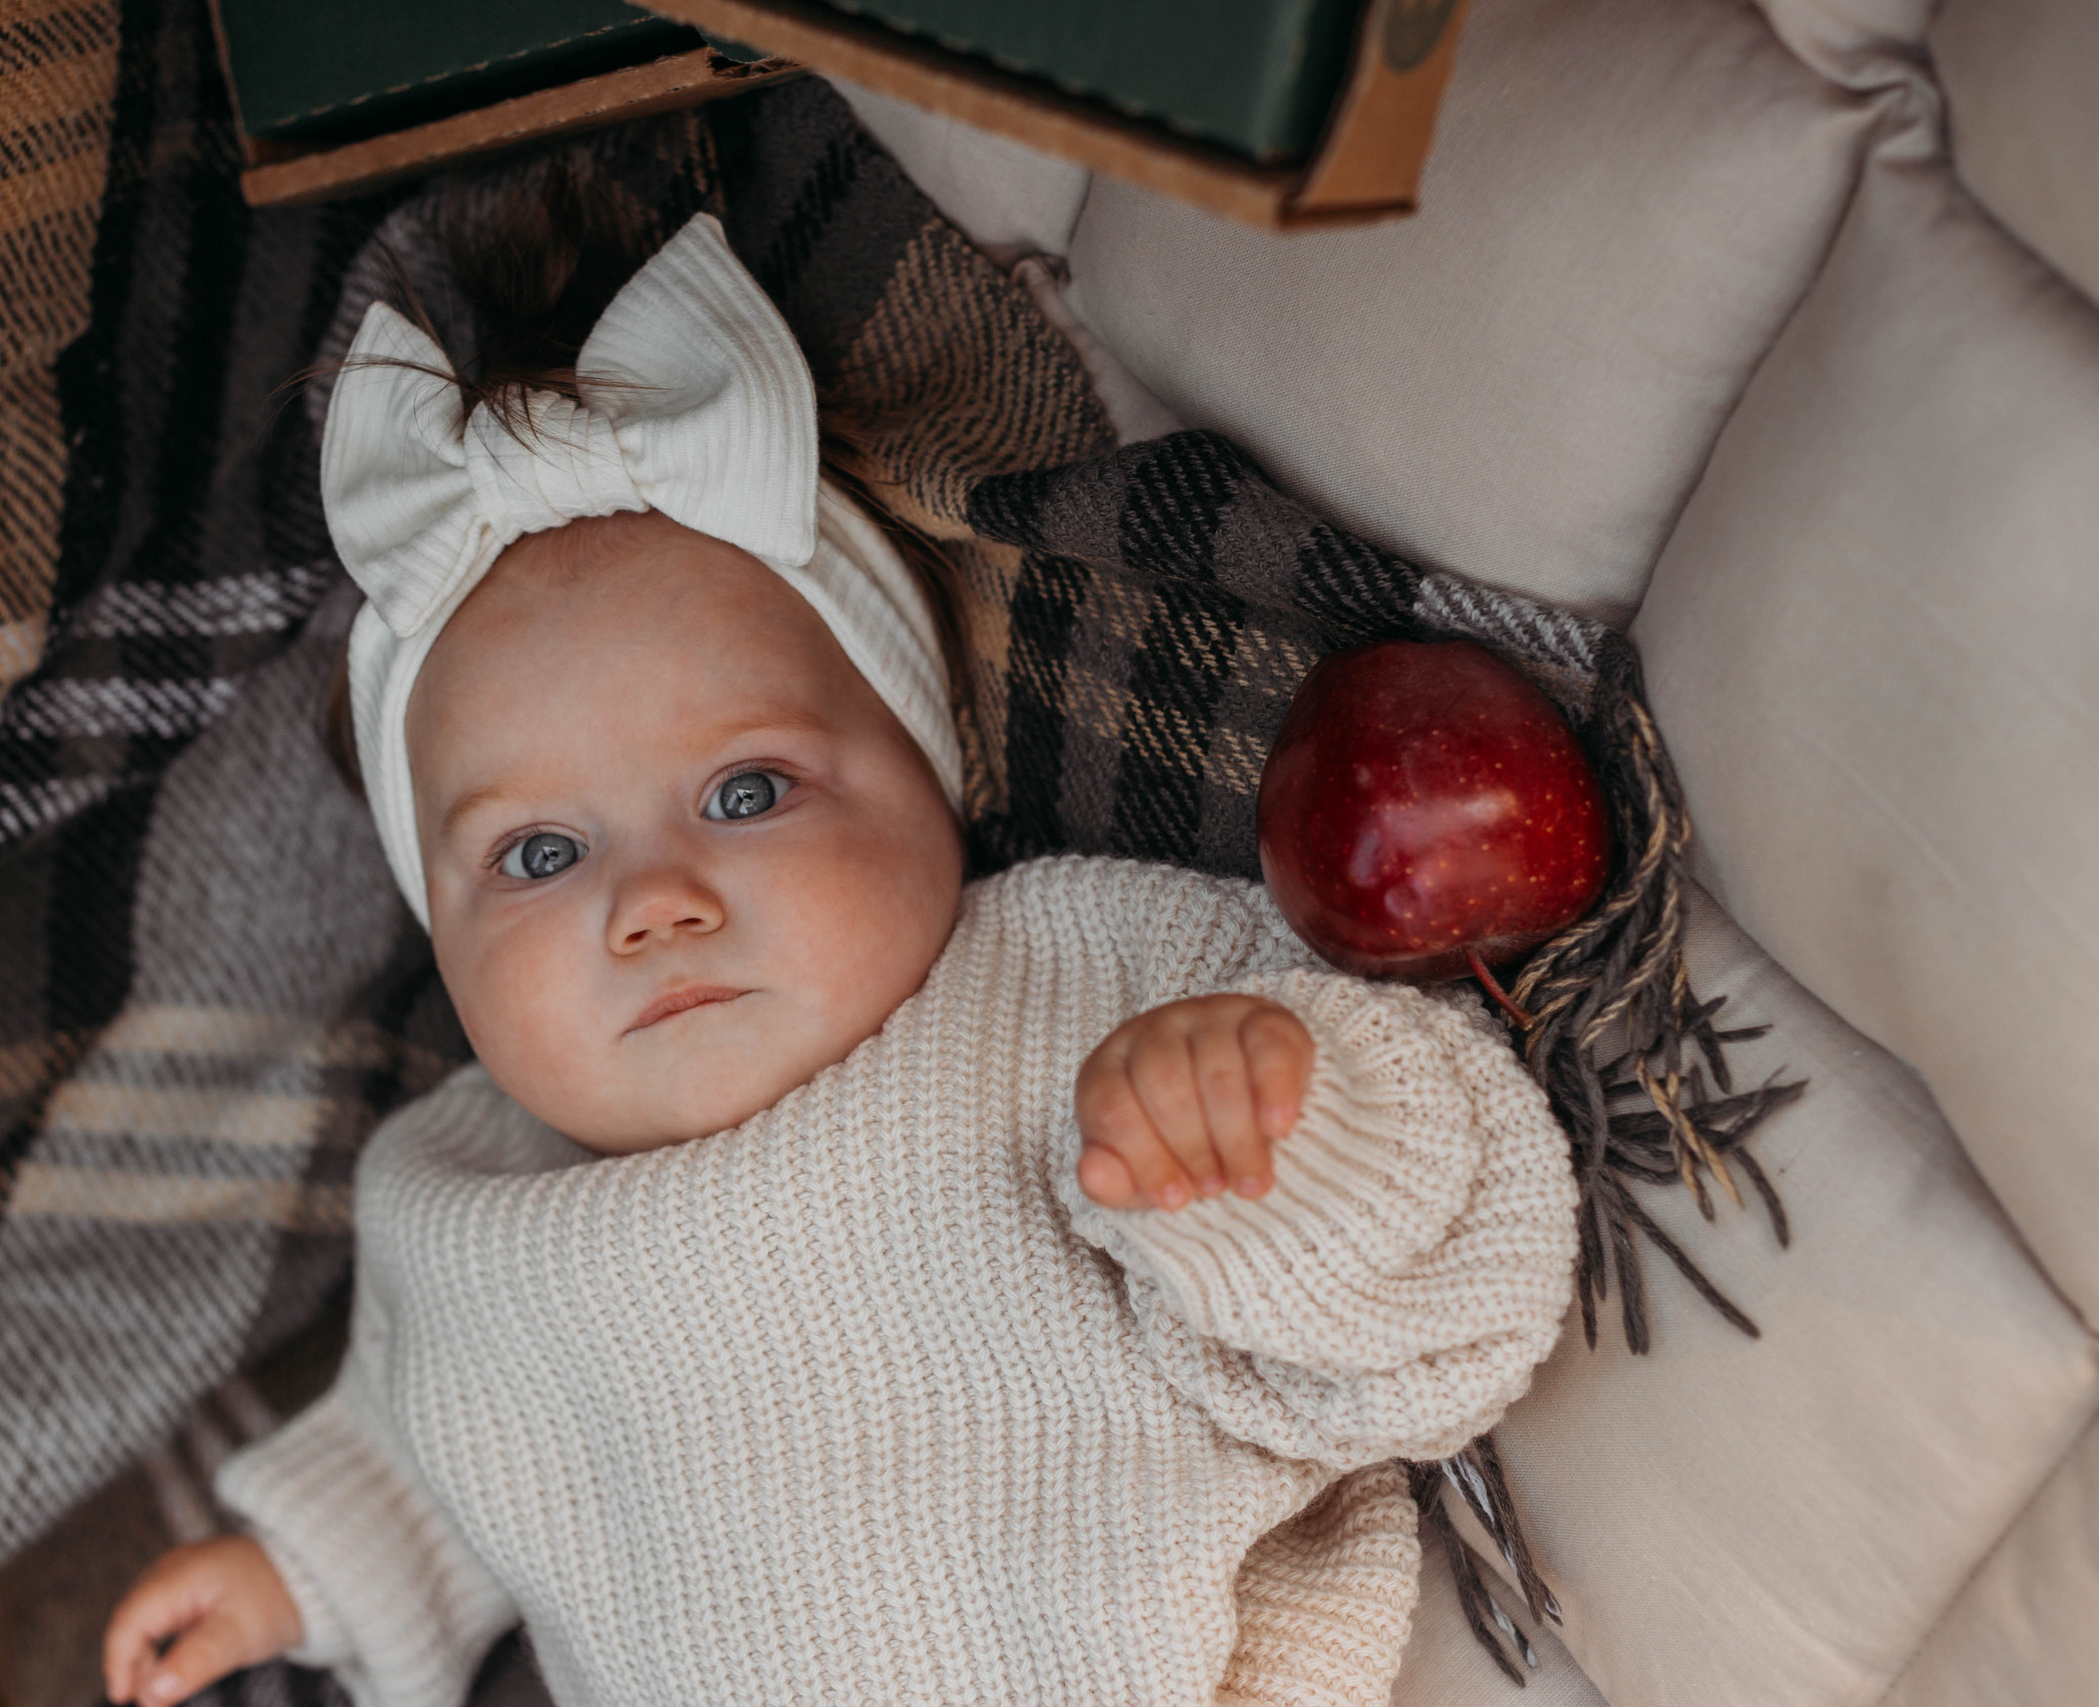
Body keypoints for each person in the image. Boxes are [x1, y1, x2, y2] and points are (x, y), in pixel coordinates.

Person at [101, 207, 1577, 1707]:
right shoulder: (456, 1198)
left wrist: (1272, 1131)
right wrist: (304, 1569)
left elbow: (1472, 1264)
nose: (653, 902)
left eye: (747, 793)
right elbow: (444, 1453)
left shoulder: (1085, 976)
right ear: (441, 931)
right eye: (539, 856)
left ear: (934, 782)